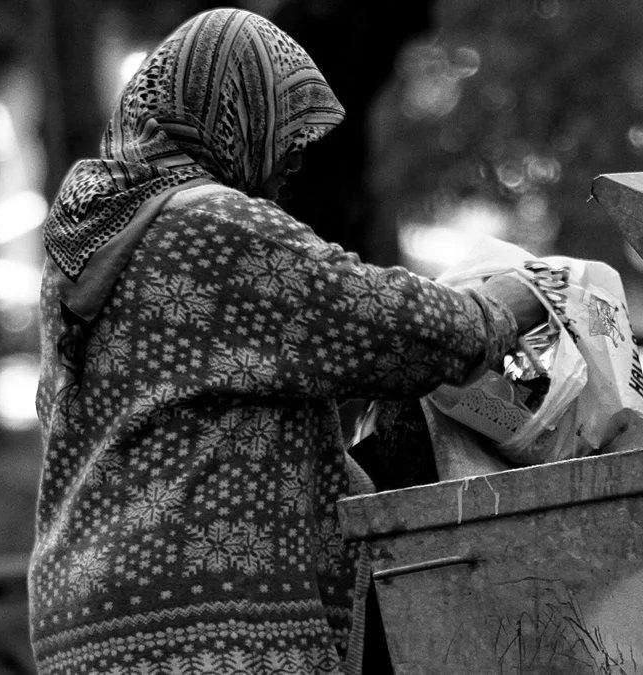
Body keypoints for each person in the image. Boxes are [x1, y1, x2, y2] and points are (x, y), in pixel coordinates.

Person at [28, 8, 542, 674]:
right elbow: (381, 321)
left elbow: (188, 401)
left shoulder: (92, 235)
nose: (294, 159)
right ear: (231, 114)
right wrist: (498, 309)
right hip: (211, 621)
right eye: (283, 131)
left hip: (89, 614)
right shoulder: (213, 223)